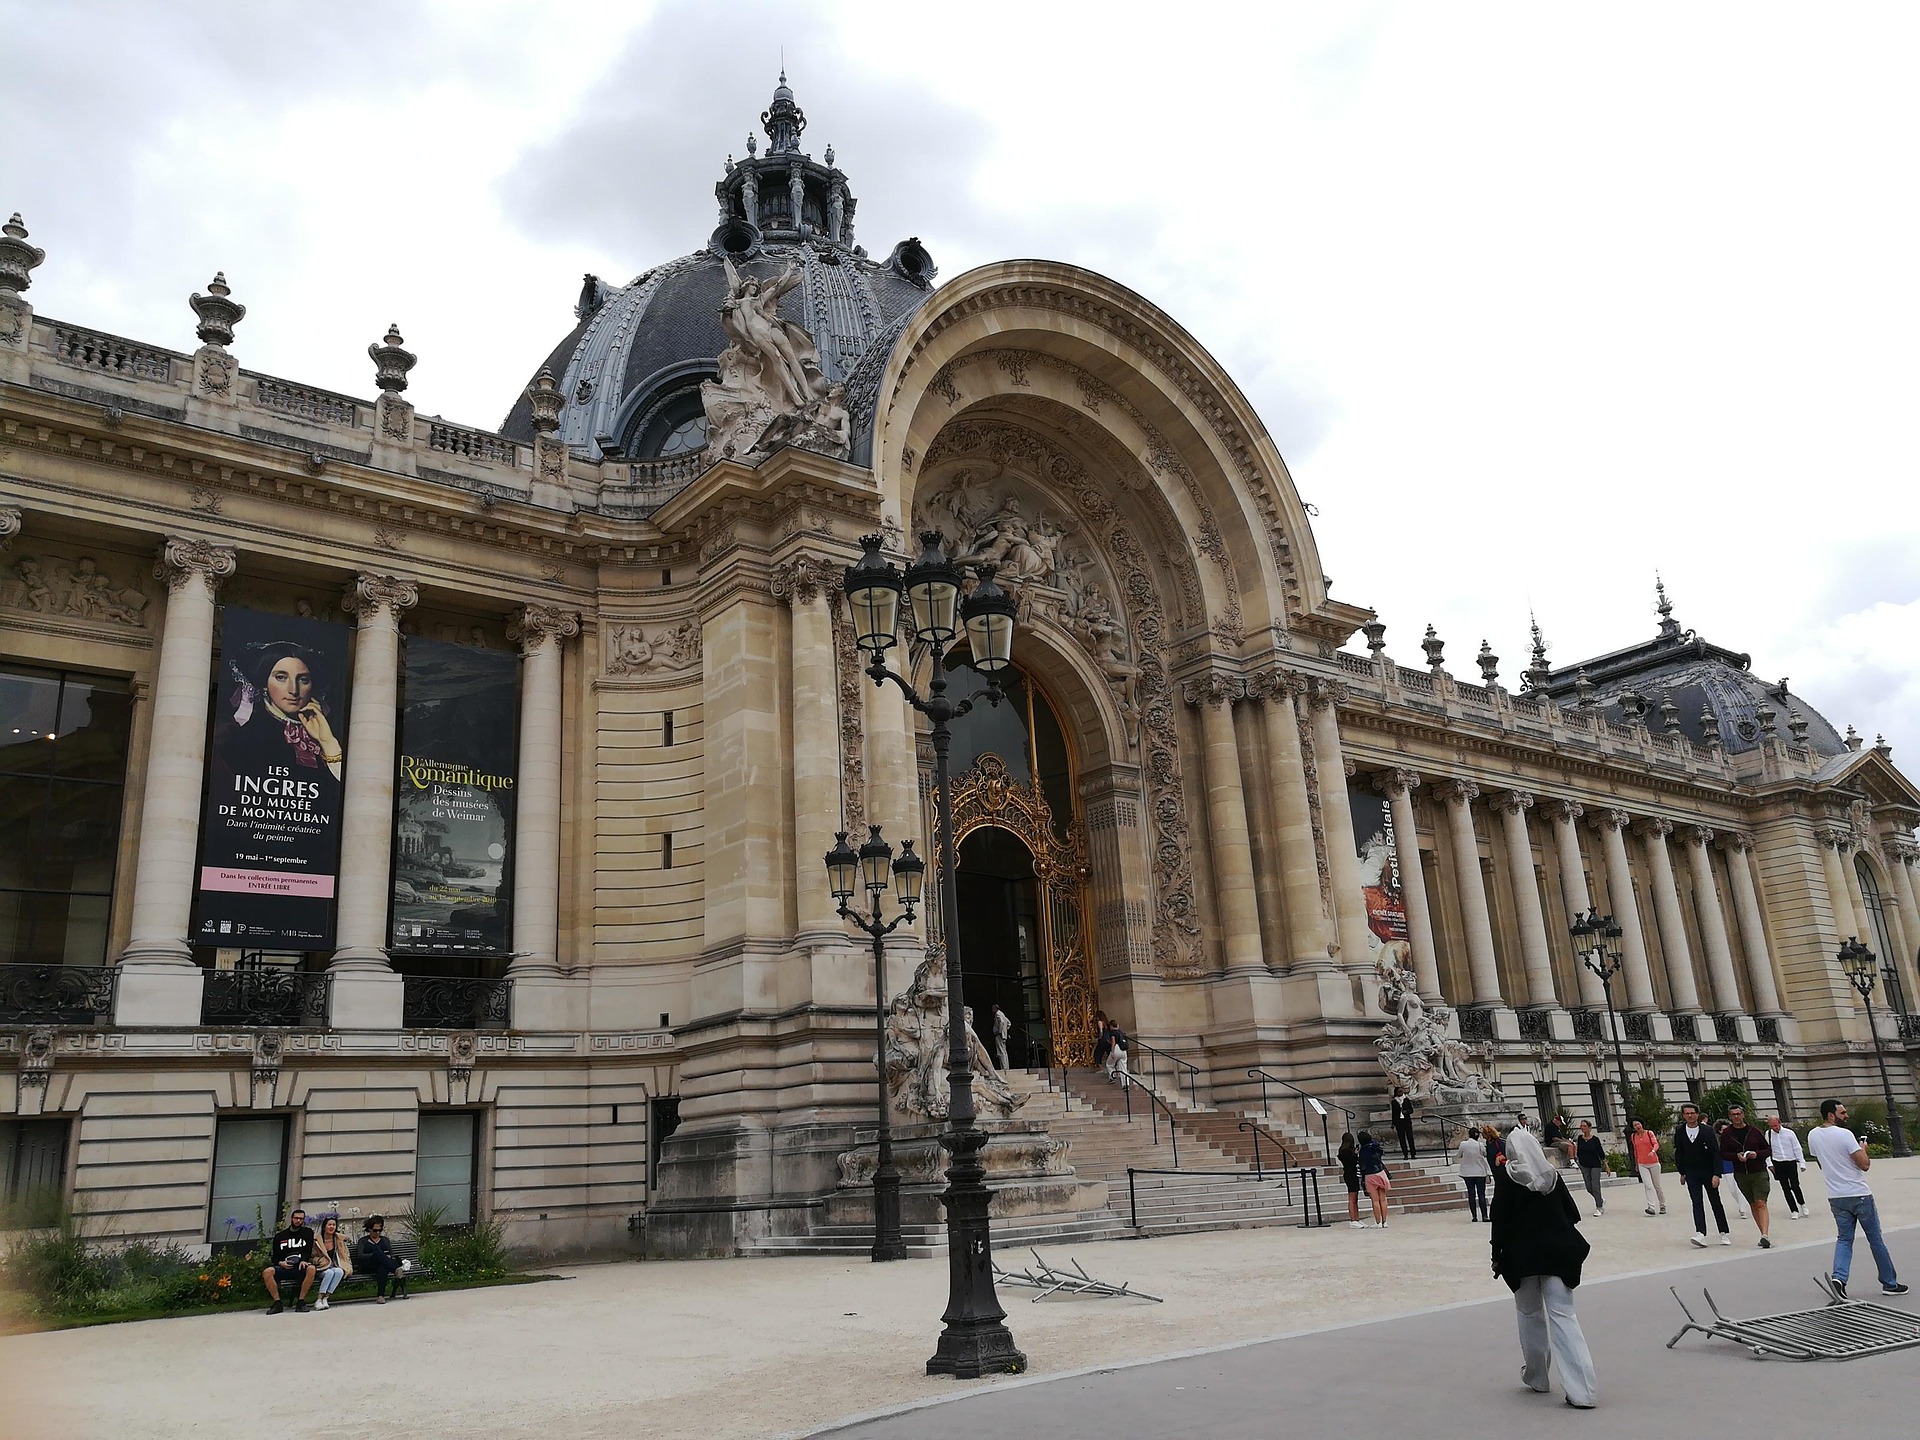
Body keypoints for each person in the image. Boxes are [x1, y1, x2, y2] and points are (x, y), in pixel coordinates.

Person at [1489, 1126, 1598, 1409]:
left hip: (1520, 1256)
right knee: (1564, 1318)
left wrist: (1496, 1254)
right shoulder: (1551, 1175)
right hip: (1557, 1253)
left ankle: (1537, 1376)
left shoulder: (1506, 1177)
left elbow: (1498, 1220)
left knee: (1529, 1315)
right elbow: (1572, 1213)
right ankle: (1582, 1389)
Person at [1807, 1100, 1908, 1299]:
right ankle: (1889, 1283)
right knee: (1875, 1239)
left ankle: (1839, 1279)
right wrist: (1863, 1149)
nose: (1847, 1116)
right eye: (1842, 1112)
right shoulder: (1845, 1135)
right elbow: (1864, 1165)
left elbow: (1821, 1164)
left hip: (1836, 1196)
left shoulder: (1813, 1135)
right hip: (1859, 1193)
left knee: (1844, 1239)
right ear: (1831, 1115)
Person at [1673, 1102, 1731, 1248]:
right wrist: (1682, 1172)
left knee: (1715, 1202)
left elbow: (1715, 1153)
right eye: (1687, 1113)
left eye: (1692, 1113)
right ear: (1683, 1115)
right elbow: (1679, 1152)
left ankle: (1723, 1232)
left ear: (1697, 1114)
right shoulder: (1680, 1130)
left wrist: (1717, 1174)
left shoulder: (1707, 1130)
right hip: (1691, 1172)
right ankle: (1701, 1233)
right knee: (1696, 1202)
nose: (1690, 1116)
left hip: (1708, 1171)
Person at [1720, 1104, 1773, 1248]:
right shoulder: (1727, 1134)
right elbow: (1723, 1153)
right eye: (1733, 1114)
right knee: (1753, 1204)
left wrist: (1756, 1154)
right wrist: (1736, 1156)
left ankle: (1765, 1235)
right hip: (1741, 1173)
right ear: (1730, 1117)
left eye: (1738, 1114)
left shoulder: (1754, 1131)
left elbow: (1768, 1150)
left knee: (1761, 1202)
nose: (1736, 1117)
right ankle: (1761, 1231)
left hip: (1758, 1171)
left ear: (1743, 1115)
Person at [261, 1206, 317, 1314]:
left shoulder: (307, 1233)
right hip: (284, 1267)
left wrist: (304, 1260)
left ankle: (301, 1302)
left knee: (311, 1269)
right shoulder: (280, 1236)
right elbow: (275, 1257)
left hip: (300, 1266)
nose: (298, 1220)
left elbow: (308, 1250)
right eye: (296, 1218)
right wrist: (280, 1263)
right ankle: (277, 1303)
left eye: (301, 1219)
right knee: (267, 1272)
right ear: (291, 1219)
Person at [354, 1215, 410, 1303]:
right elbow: (360, 1256)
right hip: (368, 1266)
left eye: (380, 1230)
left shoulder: (385, 1240)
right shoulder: (363, 1241)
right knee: (378, 1253)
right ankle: (396, 1269)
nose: (378, 1233)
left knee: (382, 1267)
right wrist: (375, 1255)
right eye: (375, 1230)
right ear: (369, 1229)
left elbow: (391, 1254)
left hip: (383, 1265)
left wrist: (384, 1257)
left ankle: (381, 1296)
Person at [1766, 1114, 1807, 1219]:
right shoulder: (1768, 1134)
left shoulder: (1789, 1133)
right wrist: (1770, 1164)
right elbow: (1767, 1150)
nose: (1774, 1128)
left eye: (1775, 1125)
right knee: (1785, 1188)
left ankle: (1802, 1204)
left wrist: (1802, 1162)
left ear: (1780, 1123)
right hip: (1778, 1163)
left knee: (1795, 1185)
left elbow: (1797, 1148)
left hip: (1790, 1161)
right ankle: (1793, 1209)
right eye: (1772, 1126)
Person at [311, 1216, 353, 1310]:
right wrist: (320, 1260)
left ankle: (326, 1297)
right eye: (329, 1225)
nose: (332, 1227)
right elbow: (311, 1257)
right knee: (329, 1273)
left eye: (334, 1225)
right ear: (324, 1227)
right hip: (321, 1267)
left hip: (335, 1265)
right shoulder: (316, 1241)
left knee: (339, 1272)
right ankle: (319, 1299)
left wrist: (346, 1263)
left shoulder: (338, 1239)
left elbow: (345, 1254)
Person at [1629, 1118, 1667, 1215]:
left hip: (1653, 1162)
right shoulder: (1633, 1136)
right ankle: (1651, 1207)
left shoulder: (1649, 1133)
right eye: (1635, 1125)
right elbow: (1635, 1150)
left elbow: (1655, 1144)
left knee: (1657, 1186)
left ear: (1641, 1124)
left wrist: (1653, 1151)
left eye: (1638, 1124)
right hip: (1642, 1163)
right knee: (1648, 1185)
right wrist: (1637, 1163)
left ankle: (1662, 1205)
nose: (1637, 1126)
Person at [1458, 1123, 1492, 1222]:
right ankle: (1485, 1215)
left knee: (1471, 1194)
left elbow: (1459, 1155)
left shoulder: (1463, 1144)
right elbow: (1485, 1154)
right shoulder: (1480, 1145)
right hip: (1480, 1171)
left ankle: (1474, 1216)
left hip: (1467, 1172)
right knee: (1481, 1194)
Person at [1358, 1130, 1391, 1227]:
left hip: (1370, 1174)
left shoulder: (1363, 1150)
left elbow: (1362, 1165)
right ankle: (1385, 1221)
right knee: (1383, 1199)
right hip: (1380, 1172)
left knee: (1375, 1200)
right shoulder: (1375, 1147)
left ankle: (1378, 1222)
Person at [1573, 1121, 1607, 1215]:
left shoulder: (1595, 1139)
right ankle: (1599, 1199)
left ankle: (1599, 1207)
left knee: (1595, 1186)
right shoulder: (1580, 1138)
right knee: (1589, 1187)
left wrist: (1606, 1165)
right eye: (1581, 1126)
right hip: (1584, 1165)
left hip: (1595, 1164)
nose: (1582, 1127)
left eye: (1584, 1126)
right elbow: (1579, 1150)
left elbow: (1600, 1152)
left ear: (1589, 1128)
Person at [1339, 1132, 1365, 1228]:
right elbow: (1352, 1161)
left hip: (1350, 1174)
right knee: (1352, 1198)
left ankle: (1356, 1218)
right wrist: (1355, 1154)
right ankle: (1353, 1219)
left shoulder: (1343, 1150)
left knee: (1355, 1198)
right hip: (1350, 1174)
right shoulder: (1346, 1152)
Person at [1390, 1086, 1417, 1161]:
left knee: (1410, 1137)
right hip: (1399, 1122)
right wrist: (1393, 1123)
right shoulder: (1394, 1102)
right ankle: (1405, 1154)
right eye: (1399, 1091)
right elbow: (1394, 1113)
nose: (1401, 1093)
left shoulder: (1406, 1100)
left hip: (1407, 1121)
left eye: (1402, 1091)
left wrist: (1407, 1111)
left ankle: (1413, 1153)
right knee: (1402, 1138)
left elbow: (1411, 1110)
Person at [990, 1004, 1012, 1071]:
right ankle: (1006, 1067)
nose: (992, 1010)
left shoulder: (998, 1014)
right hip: (1003, 1035)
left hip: (999, 1035)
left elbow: (1002, 1022)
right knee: (1004, 1051)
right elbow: (1008, 1023)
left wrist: (999, 1031)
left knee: (1001, 1052)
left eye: (992, 1009)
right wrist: (1005, 1030)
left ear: (995, 1008)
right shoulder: (1002, 1014)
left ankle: (1004, 1067)